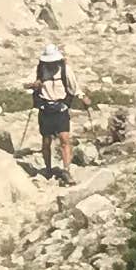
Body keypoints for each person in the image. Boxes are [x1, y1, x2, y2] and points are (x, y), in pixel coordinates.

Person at [30, 43, 78, 181]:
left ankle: (66, 169)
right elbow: (26, 84)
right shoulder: (39, 70)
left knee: (65, 139)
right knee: (46, 142)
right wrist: (34, 85)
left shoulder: (65, 70)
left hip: (60, 108)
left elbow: (73, 87)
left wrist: (71, 101)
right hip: (45, 108)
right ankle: (48, 169)